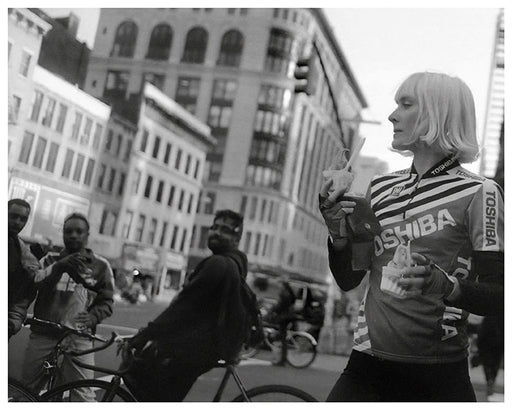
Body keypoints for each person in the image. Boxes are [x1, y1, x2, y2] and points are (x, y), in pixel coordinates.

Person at [319, 72, 504, 402]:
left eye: (406, 104)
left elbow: (499, 295)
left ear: (438, 113)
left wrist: (444, 285)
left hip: (438, 377)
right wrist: (337, 230)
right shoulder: (379, 188)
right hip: (365, 367)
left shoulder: (481, 192)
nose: (392, 115)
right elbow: (349, 278)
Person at [122, 210, 250, 402]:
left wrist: (145, 335)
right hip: (208, 347)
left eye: (224, 229)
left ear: (236, 238)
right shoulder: (236, 263)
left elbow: (183, 306)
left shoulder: (218, 264)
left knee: (144, 381)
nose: (215, 232)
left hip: (195, 348)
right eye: (214, 227)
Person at [21, 212, 115, 401]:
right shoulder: (49, 259)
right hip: (44, 333)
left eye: (79, 231)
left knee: (84, 395)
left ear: (87, 235)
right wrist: (59, 266)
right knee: (26, 391)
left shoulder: (101, 265)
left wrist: (93, 317)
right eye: (68, 231)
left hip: (79, 337)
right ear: (63, 233)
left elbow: (107, 302)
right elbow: (34, 285)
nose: (73, 235)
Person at [8, 199, 82, 340]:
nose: (17, 222)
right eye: (13, 216)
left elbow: (23, 295)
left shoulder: (25, 257)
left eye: (23, 219)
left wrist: (13, 323)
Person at [265, 279, 297, 366]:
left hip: (284, 317)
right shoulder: (289, 292)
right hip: (288, 316)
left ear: (283, 285)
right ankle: (281, 357)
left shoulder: (284, 293)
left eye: (279, 284)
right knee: (282, 336)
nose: (278, 286)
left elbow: (280, 306)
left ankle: (282, 360)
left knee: (282, 338)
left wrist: (271, 310)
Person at [476, 314, 504, 401]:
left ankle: (489, 379)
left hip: (487, 344)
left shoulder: (488, 317)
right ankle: (492, 379)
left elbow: (481, 331)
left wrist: (479, 346)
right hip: (498, 343)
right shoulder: (502, 317)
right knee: (495, 363)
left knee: (487, 363)